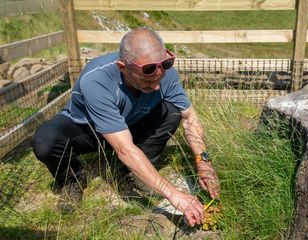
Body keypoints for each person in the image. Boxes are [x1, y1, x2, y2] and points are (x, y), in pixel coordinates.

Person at [32, 27, 220, 226]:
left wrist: (204, 163)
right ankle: (73, 179)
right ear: (123, 67)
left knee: (172, 111)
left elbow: (189, 116)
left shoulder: (162, 71)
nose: (157, 86)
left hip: (128, 125)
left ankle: (131, 171)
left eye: (161, 75)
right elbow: (124, 148)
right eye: (147, 80)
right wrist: (174, 194)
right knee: (45, 141)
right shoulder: (96, 80)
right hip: (88, 131)